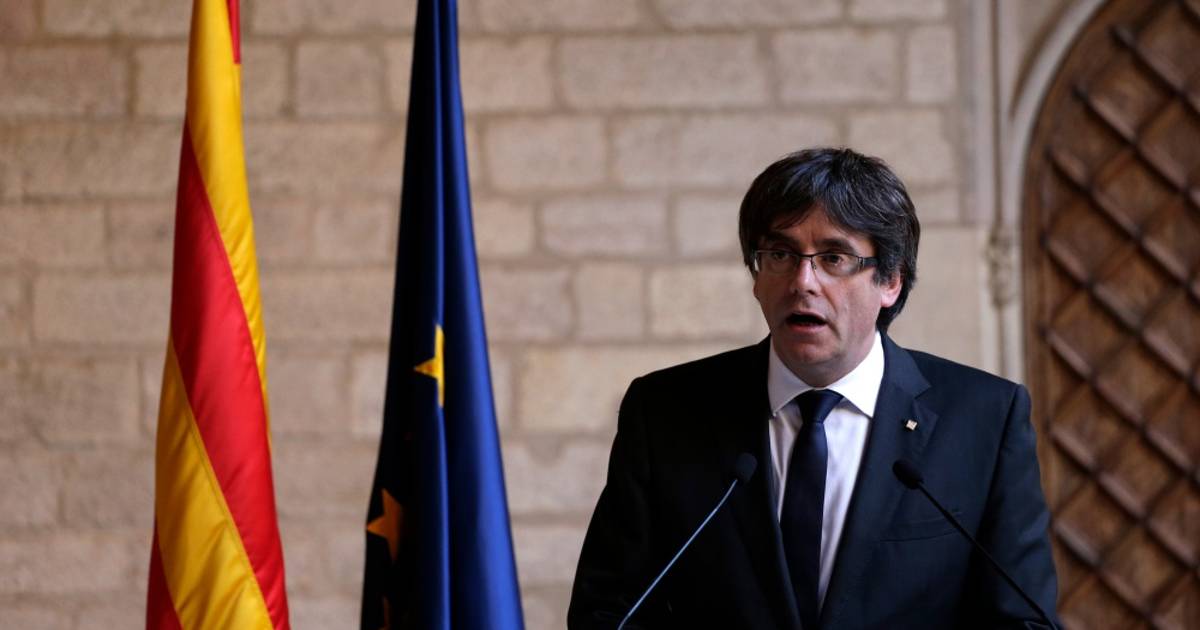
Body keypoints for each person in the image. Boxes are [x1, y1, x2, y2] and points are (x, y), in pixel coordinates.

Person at [568, 148, 1060, 629]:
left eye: (834, 257)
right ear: (756, 275)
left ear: (890, 280)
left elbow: (1024, 621)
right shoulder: (664, 412)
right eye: (780, 254)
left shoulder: (984, 419)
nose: (803, 281)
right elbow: (607, 612)